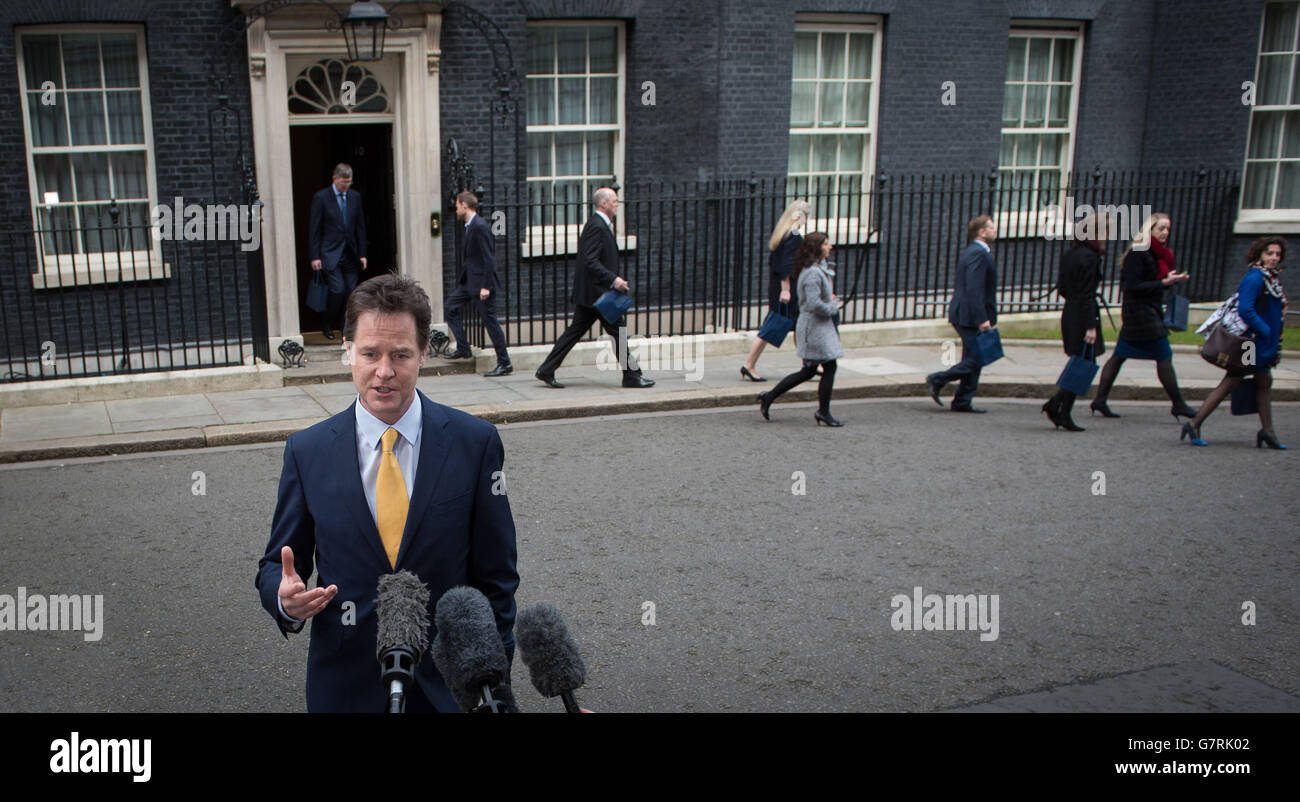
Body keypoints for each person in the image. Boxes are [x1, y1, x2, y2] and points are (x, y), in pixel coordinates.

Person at [255, 273, 519, 712]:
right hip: (346, 688)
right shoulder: (308, 451)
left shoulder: (475, 443)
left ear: (424, 354)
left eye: (400, 354)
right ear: (347, 352)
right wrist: (284, 600)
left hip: (451, 690)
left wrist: (490, 678)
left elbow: (497, 579)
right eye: (369, 353)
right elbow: (277, 565)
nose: (384, 371)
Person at [535, 187, 654, 389]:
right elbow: (590, 260)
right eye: (614, 201)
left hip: (592, 295)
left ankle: (546, 369)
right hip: (598, 293)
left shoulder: (599, 225)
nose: (617, 204)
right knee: (618, 333)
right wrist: (613, 279)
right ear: (603, 203)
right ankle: (632, 376)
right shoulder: (597, 226)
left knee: (575, 333)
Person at [1182, 236, 1288, 448]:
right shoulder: (1256, 278)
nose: (1274, 258)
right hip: (1251, 342)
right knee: (1234, 379)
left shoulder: (1271, 279)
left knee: (1264, 381)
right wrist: (1265, 330)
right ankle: (1194, 423)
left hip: (1262, 343)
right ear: (1259, 254)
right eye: (1269, 253)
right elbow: (1245, 309)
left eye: (1277, 254)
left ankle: (1268, 431)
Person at [1089, 213, 1195, 419]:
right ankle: (1178, 403)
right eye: (1160, 228)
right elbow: (1133, 286)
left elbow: (1152, 284)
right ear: (1149, 230)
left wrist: (1172, 280)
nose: (1165, 233)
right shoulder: (1139, 253)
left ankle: (1100, 400)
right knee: (1164, 355)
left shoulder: (1158, 254)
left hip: (1147, 311)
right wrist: (1164, 283)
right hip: (1140, 313)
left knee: (1119, 356)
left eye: (1167, 229)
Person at [757, 232, 845, 426]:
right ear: (816, 248)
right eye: (826, 244)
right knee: (829, 367)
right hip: (814, 327)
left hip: (817, 327)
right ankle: (823, 412)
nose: (830, 247)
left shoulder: (817, 269)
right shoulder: (812, 273)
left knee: (810, 370)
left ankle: (770, 396)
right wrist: (833, 306)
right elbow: (813, 303)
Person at [926, 214, 998, 413]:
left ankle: (962, 401)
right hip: (969, 316)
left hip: (968, 314)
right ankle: (937, 379)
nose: (995, 230)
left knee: (973, 357)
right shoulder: (977, 253)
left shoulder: (977, 252)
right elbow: (974, 288)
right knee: (977, 358)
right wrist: (982, 318)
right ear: (982, 232)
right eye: (991, 227)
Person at [1042, 215, 1107, 431]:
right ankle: (1062, 410)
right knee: (1082, 364)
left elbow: (1063, 288)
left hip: (1071, 312)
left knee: (1079, 362)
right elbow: (1087, 293)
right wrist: (1090, 325)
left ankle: (1057, 405)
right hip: (1083, 315)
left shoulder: (1071, 254)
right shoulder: (1090, 258)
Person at [443, 191, 512, 377]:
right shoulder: (470, 225)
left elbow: (489, 258)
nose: (456, 209)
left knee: (490, 323)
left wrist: (486, 286)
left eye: (457, 205)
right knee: (450, 307)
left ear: (464, 205)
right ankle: (464, 348)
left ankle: (504, 363)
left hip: (481, 284)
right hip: (469, 282)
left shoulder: (480, 226)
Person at [741, 200, 809, 382]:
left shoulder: (783, 234)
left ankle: (808, 365)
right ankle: (749, 364)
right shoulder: (793, 235)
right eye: (806, 215)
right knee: (772, 326)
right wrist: (786, 289)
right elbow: (786, 265)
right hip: (786, 290)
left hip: (778, 287)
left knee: (797, 327)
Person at [309, 163, 368, 340]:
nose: (346, 186)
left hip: (350, 253)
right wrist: (315, 256)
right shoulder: (321, 198)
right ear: (334, 179)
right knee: (338, 290)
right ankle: (327, 323)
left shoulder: (355, 197)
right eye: (343, 182)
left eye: (349, 183)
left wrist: (362, 254)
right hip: (330, 253)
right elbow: (315, 229)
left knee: (351, 292)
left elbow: (360, 227)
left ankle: (345, 328)